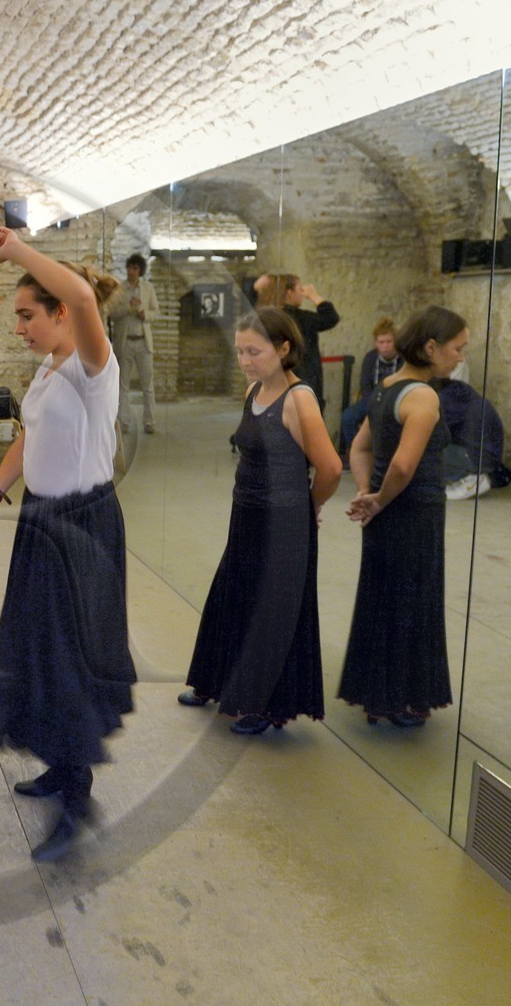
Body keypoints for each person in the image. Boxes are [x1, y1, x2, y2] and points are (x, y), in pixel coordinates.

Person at [0, 228, 137, 862]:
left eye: (27, 315)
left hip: (82, 528)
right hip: (42, 520)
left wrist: (18, 251)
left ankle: (77, 797)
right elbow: (28, 437)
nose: (20, 328)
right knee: (39, 647)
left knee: (71, 660)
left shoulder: (96, 365)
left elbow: (89, 304)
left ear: (60, 310)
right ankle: (62, 769)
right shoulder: (48, 367)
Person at [178, 308, 341, 734]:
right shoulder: (254, 390)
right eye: (240, 351)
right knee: (232, 595)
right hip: (246, 514)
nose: (245, 360)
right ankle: (215, 682)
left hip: (282, 523)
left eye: (255, 351)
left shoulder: (299, 399)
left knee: (272, 609)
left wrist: (309, 507)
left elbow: (330, 468)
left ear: (284, 349)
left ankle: (264, 705)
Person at [337, 306, 467, 728]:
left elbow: (359, 449)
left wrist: (366, 493)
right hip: (413, 512)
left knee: (383, 599)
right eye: (457, 348)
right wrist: (378, 498)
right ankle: (402, 698)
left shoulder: (386, 388)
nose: (460, 356)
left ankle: (378, 695)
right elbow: (403, 467)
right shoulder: (423, 396)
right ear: (431, 347)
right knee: (412, 601)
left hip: (386, 511)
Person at [255, 273, 339, 410]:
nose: (303, 293)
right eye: (300, 289)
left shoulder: (269, 317)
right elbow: (331, 318)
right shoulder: (301, 319)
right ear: (289, 293)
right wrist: (314, 296)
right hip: (304, 380)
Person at [106, 252, 157, 433]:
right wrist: (129, 308)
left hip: (143, 342)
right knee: (123, 384)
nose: (131, 271)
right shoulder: (120, 289)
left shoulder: (148, 288)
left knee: (147, 384)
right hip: (125, 341)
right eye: (129, 267)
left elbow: (155, 312)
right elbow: (112, 313)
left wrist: (144, 313)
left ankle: (149, 421)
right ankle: (124, 422)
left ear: (140, 270)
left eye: (135, 268)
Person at [340, 317, 399, 452]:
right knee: (348, 417)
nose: (385, 346)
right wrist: (374, 405)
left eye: (389, 342)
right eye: (381, 342)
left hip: (395, 401)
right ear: (376, 343)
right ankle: (356, 451)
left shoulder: (403, 359)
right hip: (372, 400)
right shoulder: (371, 358)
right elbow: (365, 386)